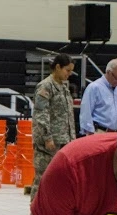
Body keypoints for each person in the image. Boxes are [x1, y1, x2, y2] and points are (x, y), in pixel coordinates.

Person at [28, 53, 76, 197]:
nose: (69, 74)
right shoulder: (46, 86)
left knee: (59, 180)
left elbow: (67, 116)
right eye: (67, 70)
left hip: (63, 141)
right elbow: (41, 114)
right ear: (57, 67)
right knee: (42, 178)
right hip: (49, 144)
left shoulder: (63, 87)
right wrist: (47, 137)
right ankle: (35, 209)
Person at [79, 58, 117, 135]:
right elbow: (86, 113)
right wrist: (90, 134)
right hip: (99, 132)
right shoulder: (94, 87)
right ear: (109, 72)